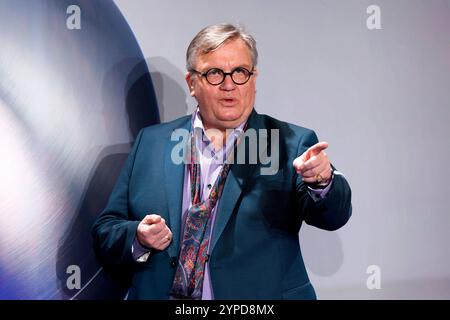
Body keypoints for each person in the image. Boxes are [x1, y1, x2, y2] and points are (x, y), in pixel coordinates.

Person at [92, 23, 352, 300]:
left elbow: (333, 216)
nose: (229, 85)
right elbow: (106, 229)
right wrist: (138, 236)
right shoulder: (151, 143)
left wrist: (323, 181)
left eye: (240, 72)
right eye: (215, 73)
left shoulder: (290, 143)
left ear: (254, 78)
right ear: (192, 83)